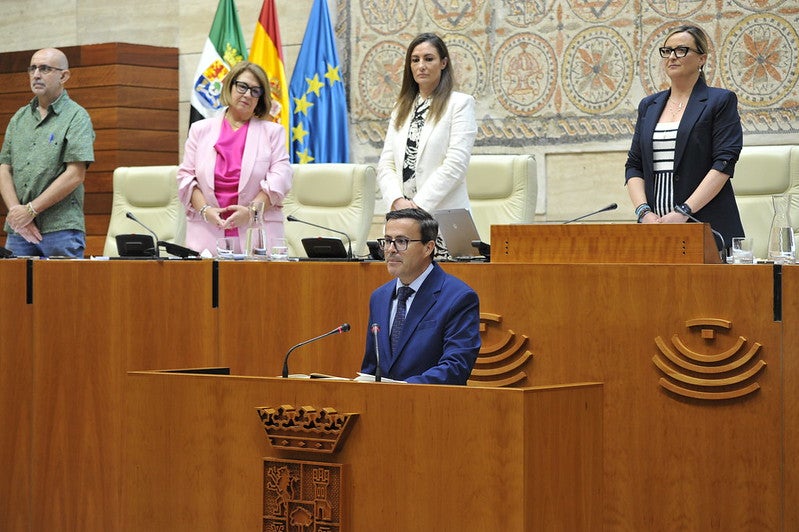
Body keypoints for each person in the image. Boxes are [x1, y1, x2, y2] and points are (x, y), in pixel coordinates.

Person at [625, 24, 744, 250]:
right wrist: (643, 212)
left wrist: (684, 212)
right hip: (655, 231)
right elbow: (634, 165)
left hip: (706, 228)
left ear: (701, 58)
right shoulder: (649, 106)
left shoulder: (720, 101)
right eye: (667, 51)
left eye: (681, 50)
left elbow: (724, 164)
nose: (672, 57)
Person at [376, 33, 477, 255]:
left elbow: (456, 165)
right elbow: (386, 165)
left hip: (444, 222)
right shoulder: (401, 107)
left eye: (428, 59)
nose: (421, 66)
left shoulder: (459, 104)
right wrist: (397, 202)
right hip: (402, 226)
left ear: (443, 63)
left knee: (445, 289)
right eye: (415, 60)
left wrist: (415, 208)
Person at [177, 61, 292, 255]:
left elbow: (280, 178)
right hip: (207, 231)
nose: (247, 94)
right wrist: (205, 210)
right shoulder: (200, 130)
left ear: (260, 99)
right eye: (242, 86)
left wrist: (251, 213)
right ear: (230, 85)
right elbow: (186, 178)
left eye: (255, 91)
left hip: (256, 233)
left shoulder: (272, 132)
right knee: (205, 285)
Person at [360, 208, 481, 384]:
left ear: (428, 247)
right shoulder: (379, 297)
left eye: (401, 241)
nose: (391, 249)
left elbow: (456, 367)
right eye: (387, 241)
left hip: (432, 406)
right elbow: (372, 366)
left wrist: (405, 389)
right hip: (382, 406)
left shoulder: (459, 298)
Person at [0, 48, 95, 258]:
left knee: (62, 291)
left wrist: (31, 210)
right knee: (14, 291)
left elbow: (75, 174)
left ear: (64, 76)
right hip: (19, 230)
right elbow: (5, 168)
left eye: (44, 69)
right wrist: (17, 212)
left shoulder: (77, 117)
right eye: (33, 68)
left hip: (60, 229)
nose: (36, 75)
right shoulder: (19, 118)